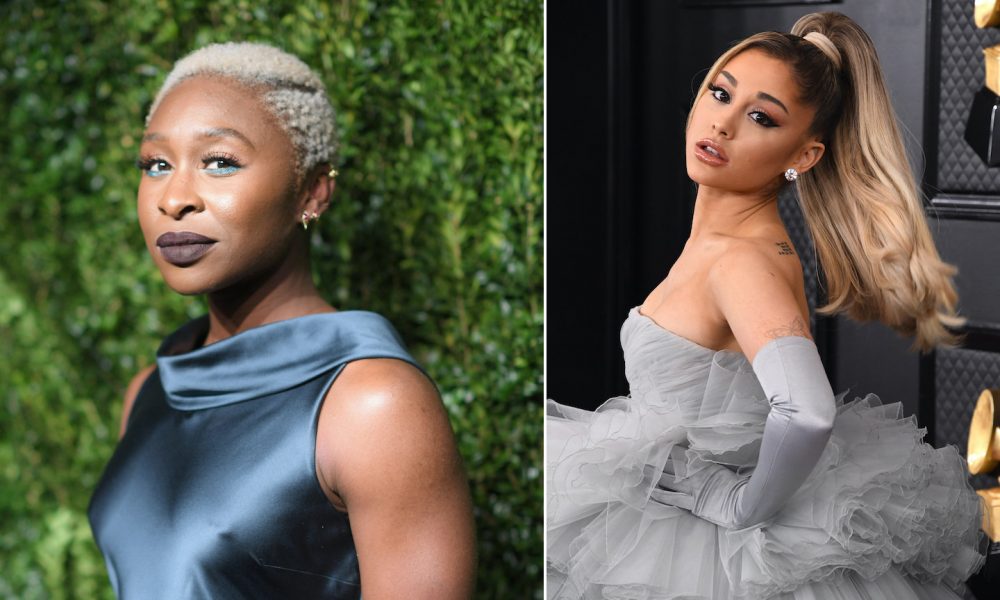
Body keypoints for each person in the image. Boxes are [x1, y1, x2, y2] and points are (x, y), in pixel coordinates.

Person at [547, 12, 986, 600]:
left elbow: (807, 412)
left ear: (803, 157)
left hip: (711, 553)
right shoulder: (724, 245)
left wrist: (735, 503)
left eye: (760, 116)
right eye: (720, 92)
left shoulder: (741, 262)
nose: (722, 123)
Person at [87, 42, 476, 599]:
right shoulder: (148, 393)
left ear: (312, 191)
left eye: (220, 162)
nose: (174, 198)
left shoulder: (371, 405)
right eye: (156, 164)